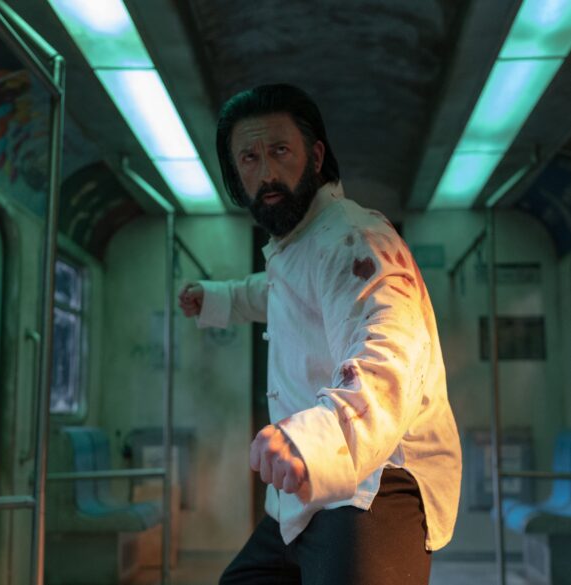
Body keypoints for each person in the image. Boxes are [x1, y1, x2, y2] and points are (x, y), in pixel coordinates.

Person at [179, 84, 461, 585]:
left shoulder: (354, 237)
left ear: (315, 157)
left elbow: (390, 351)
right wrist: (220, 297)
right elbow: (280, 293)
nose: (266, 173)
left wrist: (317, 435)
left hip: (375, 483)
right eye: (249, 158)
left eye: (280, 151)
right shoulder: (302, 245)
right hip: (307, 489)